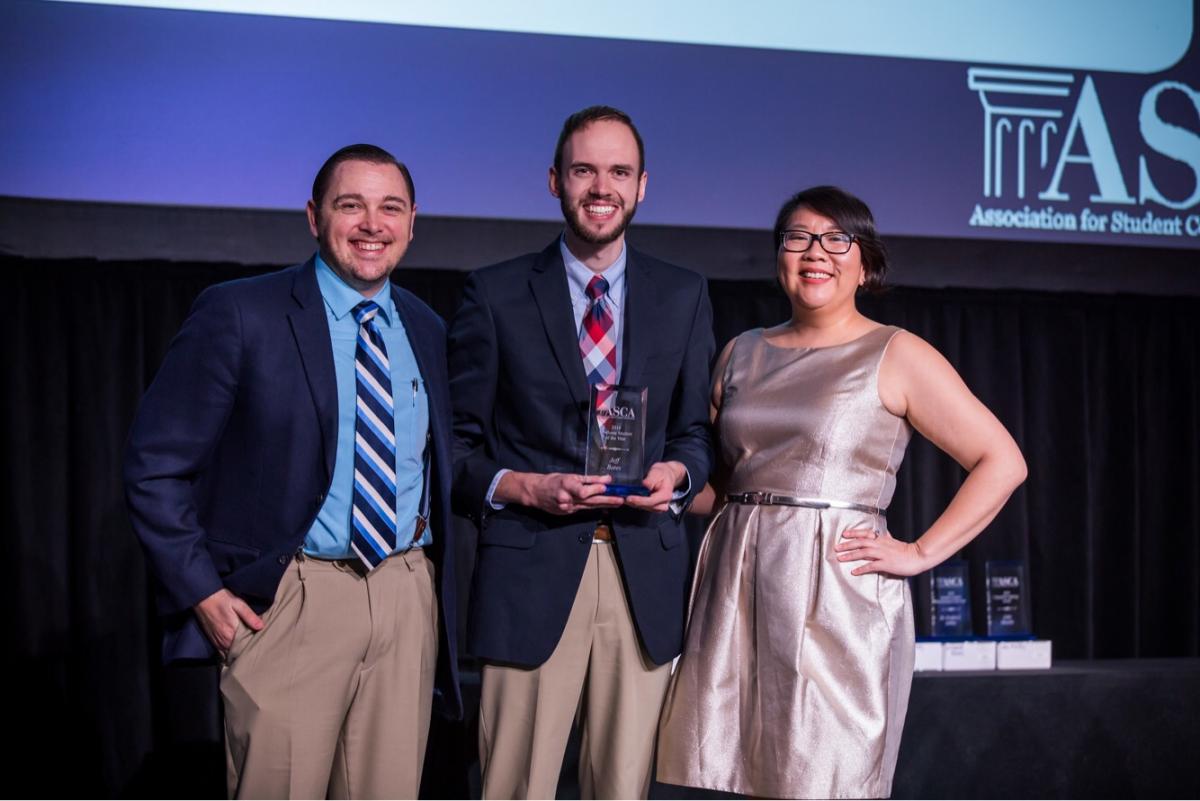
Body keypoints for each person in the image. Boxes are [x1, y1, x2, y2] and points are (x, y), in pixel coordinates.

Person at [656, 186, 1028, 799]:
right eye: (797, 237)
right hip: (737, 586)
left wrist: (919, 552)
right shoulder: (741, 352)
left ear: (865, 262)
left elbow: (1002, 461)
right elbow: (726, 485)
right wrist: (658, 490)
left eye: (836, 239)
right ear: (779, 255)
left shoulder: (896, 352)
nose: (815, 253)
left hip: (836, 591)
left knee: (827, 776)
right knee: (733, 772)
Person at [124, 144, 461, 798]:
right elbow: (154, 465)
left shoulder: (426, 326)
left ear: (413, 222)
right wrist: (203, 594)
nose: (372, 223)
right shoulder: (241, 312)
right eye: (350, 205)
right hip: (292, 600)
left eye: (390, 207)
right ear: (313, 216)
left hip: (405, 595)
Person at [449, 105, 714, 799]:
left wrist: (679, 473)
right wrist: (527, 487)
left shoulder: (684, 294)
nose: (603, 186)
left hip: (643, 575)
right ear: (554, 181)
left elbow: (695, 433)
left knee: (623, 789)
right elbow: (456, 447)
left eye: (619, 171)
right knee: (514, 788)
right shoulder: (496, 292)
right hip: (530, 568)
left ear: (643, 185)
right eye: (584, 170)